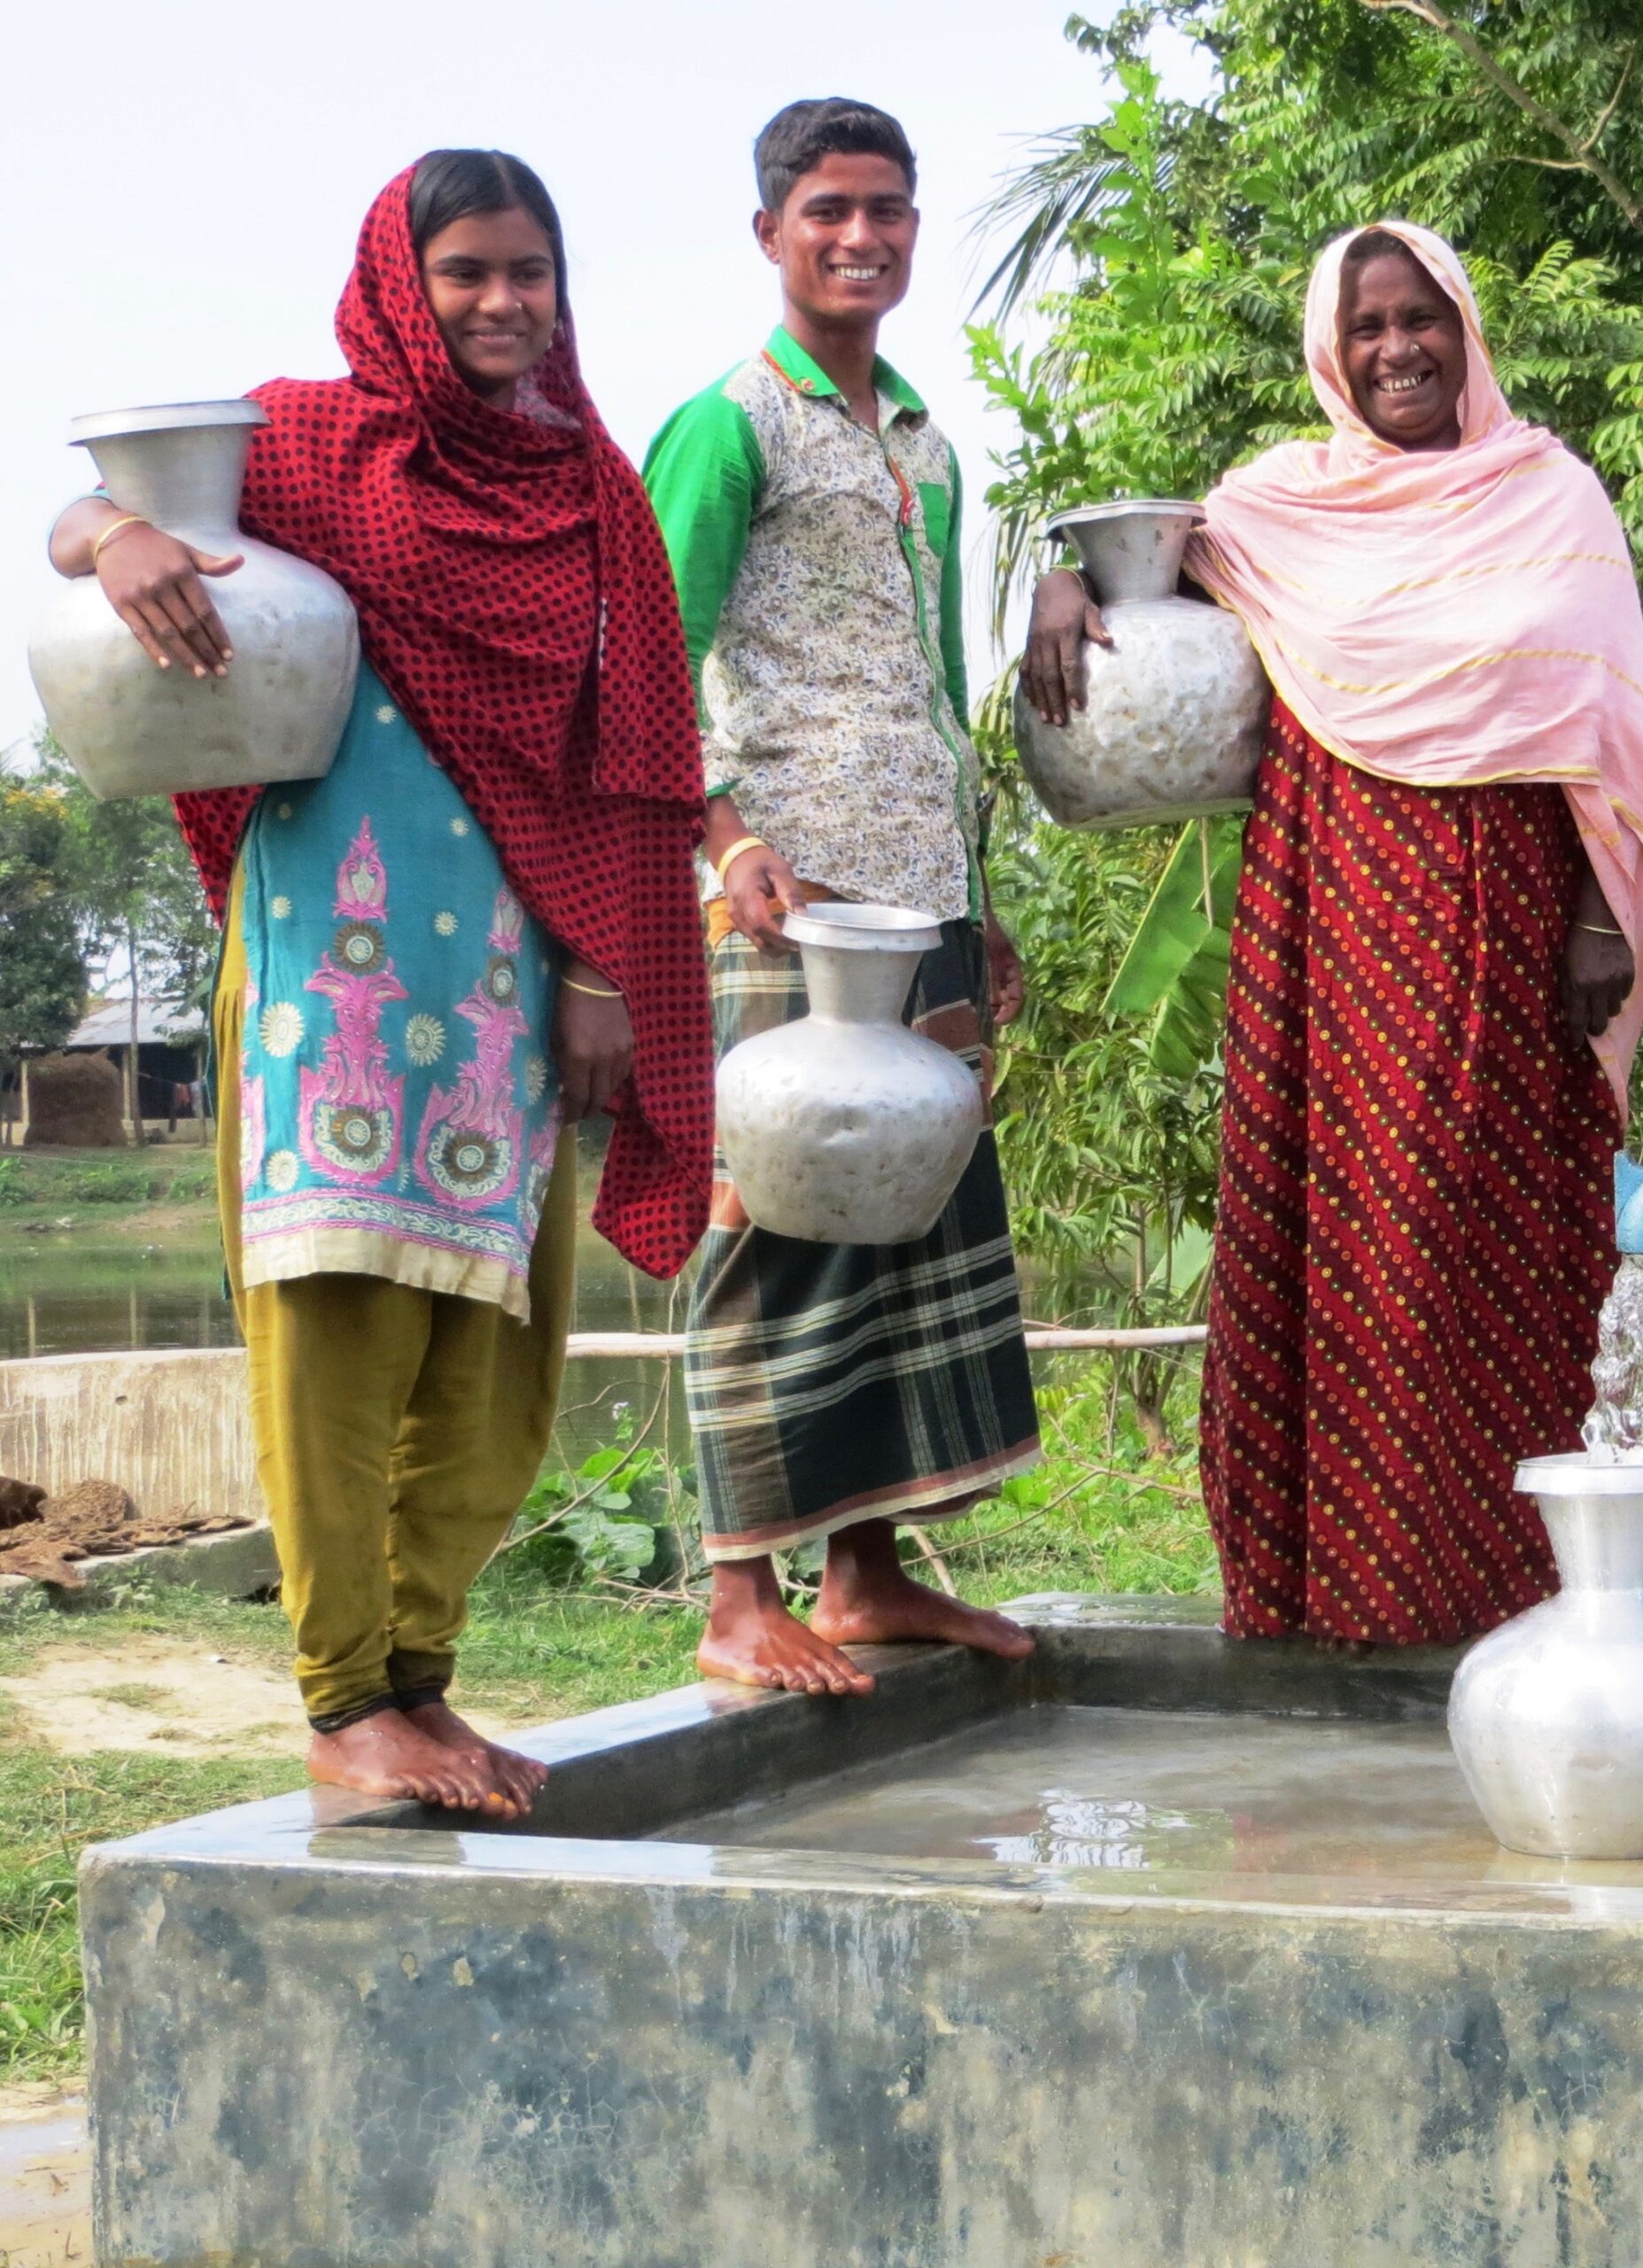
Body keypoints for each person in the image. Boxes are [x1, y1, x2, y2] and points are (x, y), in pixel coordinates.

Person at [47, 151, 713, 1809]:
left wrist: (606, 970)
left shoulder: (594, 495)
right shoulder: (302, 447)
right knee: (339, 1329)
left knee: (495, 1356)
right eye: (466, 273)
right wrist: (118, 537)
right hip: (325, 977)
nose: (501, 305)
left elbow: (621, 762)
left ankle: (424, 1680)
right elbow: (82, 505)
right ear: (398, 284)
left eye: (530, 274)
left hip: (511, 976)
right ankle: (345, 1699)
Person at [1026, 222, 1643, 1644]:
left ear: (1466, 329)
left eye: (1423, 319)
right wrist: (1057, 580)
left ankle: (1513, 1594)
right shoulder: (1276, 508)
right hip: (1327, 912)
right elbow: (1141, 580)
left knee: (1483, 1235)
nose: (1400, 349)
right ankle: (1330, 1594)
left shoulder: (1550, 493)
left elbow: (1609, 716)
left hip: (1511, 913)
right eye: (1370, 328)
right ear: (1330, 356)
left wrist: (1599, 912)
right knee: (1332, 1228)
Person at [641, 99, 1040, 1696]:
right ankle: (741, 1595)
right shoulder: (726, 424)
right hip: (781, 903)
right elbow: (650, 671)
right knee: (774, 1220)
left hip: (921, 893)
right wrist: (726, 842)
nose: (860, 238)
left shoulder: (929, 442)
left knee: (913, 1226)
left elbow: (935, 687)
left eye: (885, 210)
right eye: (827, 213)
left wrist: (978, 893)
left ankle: (865, 1573)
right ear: (770, 235)